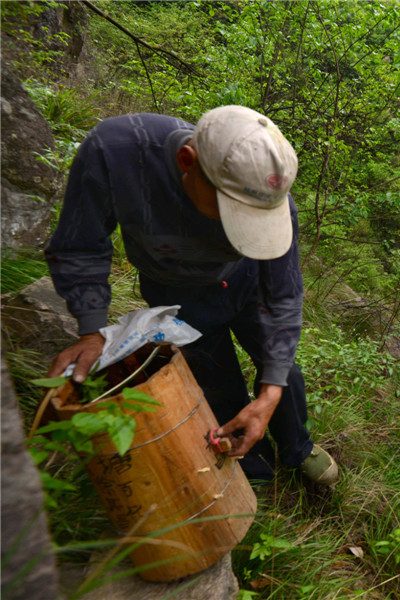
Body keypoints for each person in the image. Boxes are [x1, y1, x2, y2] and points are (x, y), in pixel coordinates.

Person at [44, 105, 337, 486]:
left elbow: (283, 294)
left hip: (247, 284)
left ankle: (297, 448)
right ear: (188, 162)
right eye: (233, 213)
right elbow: (82, 244)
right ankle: (250, 464)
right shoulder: (115, 152)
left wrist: (268, 397)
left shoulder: (271, 198)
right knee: (212, 376)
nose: (240, 233)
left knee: (282, 371)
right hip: (175, 291)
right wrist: (91, 328)